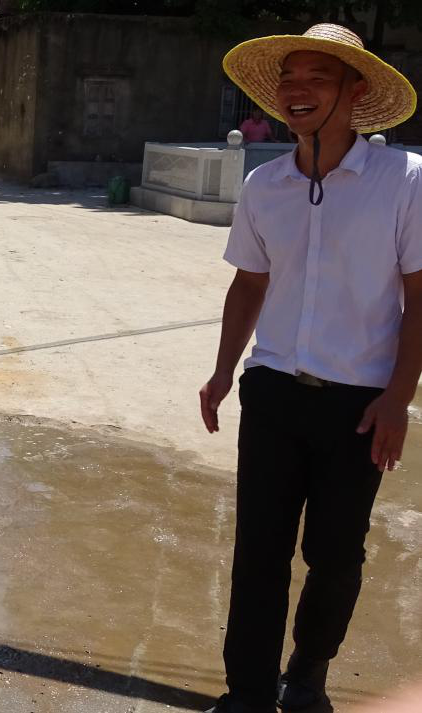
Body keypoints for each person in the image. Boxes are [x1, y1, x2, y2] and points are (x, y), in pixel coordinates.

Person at [200, 24, 422, 713]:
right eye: (287, 79)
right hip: (271, 392)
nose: (296, 91)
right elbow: (248, 283)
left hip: (359, 404)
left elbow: (419, 297)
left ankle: (307, 674)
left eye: (316, 79)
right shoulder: (264, 184)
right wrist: (221, 372)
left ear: (355, 91)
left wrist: (398, 398)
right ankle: (246, 693)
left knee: (335, 553)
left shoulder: (403, 182)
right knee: (258, 552)